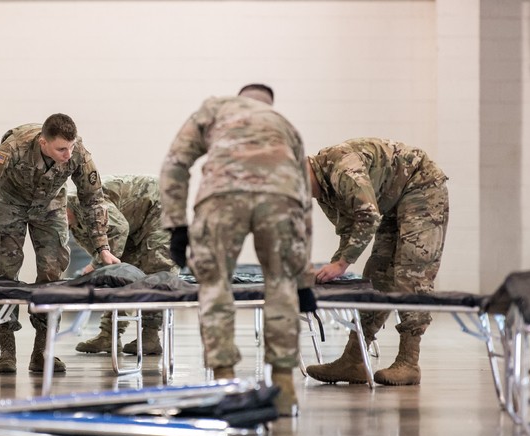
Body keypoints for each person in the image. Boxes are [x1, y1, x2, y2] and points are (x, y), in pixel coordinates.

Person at [159, 83, 312, 417]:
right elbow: (305, 199)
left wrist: (176, 225)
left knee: (215, 284)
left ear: (240, 98)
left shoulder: (215, 108)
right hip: (280, 194)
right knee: (282, 284)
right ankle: (283, 386)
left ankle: (224, 380)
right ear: (269, 104)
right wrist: (302, 279)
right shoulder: (284, 125)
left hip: (222, 193)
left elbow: (175, 163)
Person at [0, 113, 120, 374]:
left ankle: (43, 353)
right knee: (4, 274)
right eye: (61, 149)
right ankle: (7, 351)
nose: (68, 154)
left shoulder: (78, 152)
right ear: (43, 142)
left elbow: (93, 198)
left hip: (50, 207)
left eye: (70, 147)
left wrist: (102, 247)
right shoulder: (14, 147)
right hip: (9, 204)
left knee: (52, 275)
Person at [305, 137, 449, 386]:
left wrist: (342, 263)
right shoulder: (323, 191)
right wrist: (335, 265)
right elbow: (349, 229)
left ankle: (409, 362)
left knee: (412, 270)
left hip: (420, 184)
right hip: (391, 200)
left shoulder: (342, 168)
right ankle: (354, 360)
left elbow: (368, 216)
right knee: (378, 273)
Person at [67, 174, 178, 356]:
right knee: (120, 276)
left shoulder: (85, 204)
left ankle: (150, 337)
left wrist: (94, 265)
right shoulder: (72, 224)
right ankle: (108, 335)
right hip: (132, 223)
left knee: (157, 271)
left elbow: (119, 229)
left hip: (159, 207)